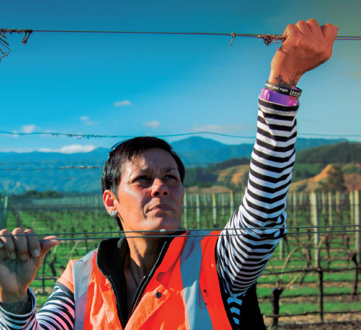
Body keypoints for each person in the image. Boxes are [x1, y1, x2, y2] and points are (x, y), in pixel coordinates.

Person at [0, 19, 338, 329]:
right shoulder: (80, 278)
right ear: (111, 201)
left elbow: (262, 213)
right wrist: (14, 301)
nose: (161, 187)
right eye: (142, 180)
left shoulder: (219, 262)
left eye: (171, 178)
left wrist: (283, 85)